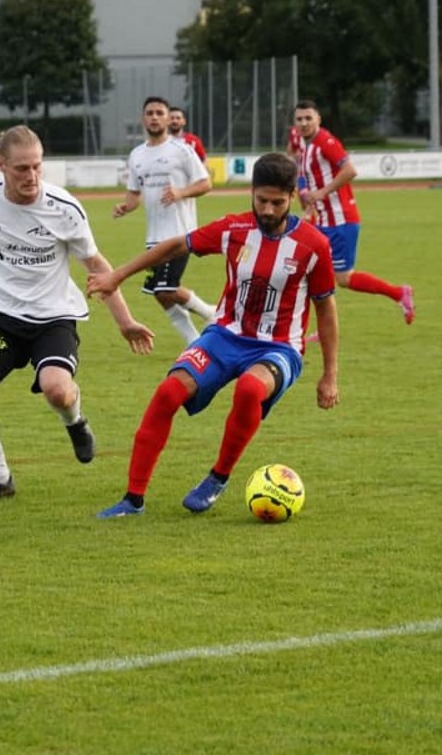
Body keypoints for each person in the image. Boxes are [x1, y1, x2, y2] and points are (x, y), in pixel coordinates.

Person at [88, 152, 340, 518]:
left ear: (291, 197)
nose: (268, 210)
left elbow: (326, 310)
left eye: (277, 202)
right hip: (224, 336)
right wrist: (117, 275)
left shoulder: (313, 245)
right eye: (261, 200)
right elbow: (177, 245)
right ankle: (132, 500)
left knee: (250, 389)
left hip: (279, 347)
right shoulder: (234, 229)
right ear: (252, 192)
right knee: (167, 393)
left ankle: (218, 477)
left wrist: (329, 375)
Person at [0, 125, 155, 500]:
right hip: (2, 317)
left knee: (57, 391)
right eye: (21, 168)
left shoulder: (64, 209)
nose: (31, 176)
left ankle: (75, 420)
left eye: (37, 166)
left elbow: (96, 265)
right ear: (1, 165)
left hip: (54, 318)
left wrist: (125, 321)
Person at [292, 100, 414, 324]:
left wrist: (321, 193)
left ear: (318, 119)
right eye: (300, 119)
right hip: (323, 221)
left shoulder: (325, 142)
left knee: (343, 278)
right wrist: (305, 194)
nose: (304, 123)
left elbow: (350, 170)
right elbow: (304, 175)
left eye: (308, 118)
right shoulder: (306, 145)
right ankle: (321, 327)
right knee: (306, 270)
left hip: (340, 222)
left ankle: (399, 293)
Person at [114, 96, 218, 344]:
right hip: (154, 236)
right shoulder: (137, 154)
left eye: (159, 113)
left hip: (180, 232)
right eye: (150, 113)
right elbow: (134, 192)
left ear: (168, 118)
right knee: (160, 293)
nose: (154, 117)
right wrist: (126, 207)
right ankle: (194, 342)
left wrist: (180, 193)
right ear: (143, 118)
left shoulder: (182, 150)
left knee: (165, 288)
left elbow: (206, 183)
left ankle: (210, 313)